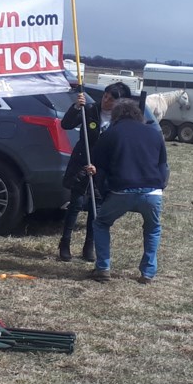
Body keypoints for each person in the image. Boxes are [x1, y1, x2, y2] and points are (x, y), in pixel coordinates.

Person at [87, 99, 168, 284]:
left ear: (116, 116)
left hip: (121, 190)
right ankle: (148, 272)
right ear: (138, 115)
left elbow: (100, 168)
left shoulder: (110, 134)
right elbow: (163, 166)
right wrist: (161, 186)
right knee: (152, 228)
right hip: (153, 191)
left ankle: (103, 268)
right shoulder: (155, 134)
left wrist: (104, 192)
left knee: (101, 223)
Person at [57, 81, 133, 262]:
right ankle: (65, 243)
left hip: (102, 168)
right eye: (105, 96)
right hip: (82, 163)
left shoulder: (121, 120)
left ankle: (89, 246)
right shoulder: (89, 110)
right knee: (75, 204)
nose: (106, 101)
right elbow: (66, 124)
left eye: (111, 99)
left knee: (96, 207)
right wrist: (76, 107)